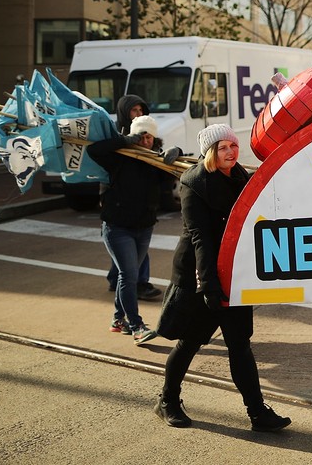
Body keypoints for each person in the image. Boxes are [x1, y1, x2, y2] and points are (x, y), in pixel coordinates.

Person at [154, 124, 291, 432]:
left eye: (233, 145)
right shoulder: (194, 183)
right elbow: (200, 237)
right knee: (189, 342)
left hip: (234, 273)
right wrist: (208, 286)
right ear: (210, 152)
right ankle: (167, 401)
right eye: (223, 147)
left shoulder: (241, 177)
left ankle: (258, 413)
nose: (231, 151)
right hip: (200, 276)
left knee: (239, 344)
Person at [88, 115, 177, 345]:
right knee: (129, 275)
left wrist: (172, 157)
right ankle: (137, 326)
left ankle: (118, 320)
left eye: (149, 136)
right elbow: (94, 151)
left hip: (144, 226)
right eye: (141, 136)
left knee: (127, 275)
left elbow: (167, 186)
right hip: (117, 227)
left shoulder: (155, 160)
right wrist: (125, 141)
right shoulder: (119, 158)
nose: (145, 140)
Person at [104, 94, 161, 301]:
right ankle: (138, 284)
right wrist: (124, 142)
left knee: (132, 251)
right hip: (119, 205)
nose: (138, 115)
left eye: (141, 111)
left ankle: (118, 279)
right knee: (129, 250)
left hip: (143, 210)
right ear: (124, 112)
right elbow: (98, 151)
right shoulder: (116, 136)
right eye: (134, 111)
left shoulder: (149, 138)